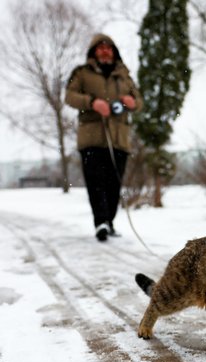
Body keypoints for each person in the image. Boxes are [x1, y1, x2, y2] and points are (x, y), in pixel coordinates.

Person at [65, 33, 143, 241]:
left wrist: (132, 102)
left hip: (119, 139)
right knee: (95, 181)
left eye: (108, 48)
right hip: (91, 137)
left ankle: (109, 220)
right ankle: (100, 222)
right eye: (100, 48)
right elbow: (69, 96)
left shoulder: (124, 76)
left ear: (114, 52)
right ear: (93, 52)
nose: (105, 51)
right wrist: (92, 102)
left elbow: (139, 101)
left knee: (113, 184)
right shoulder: (82, 73)